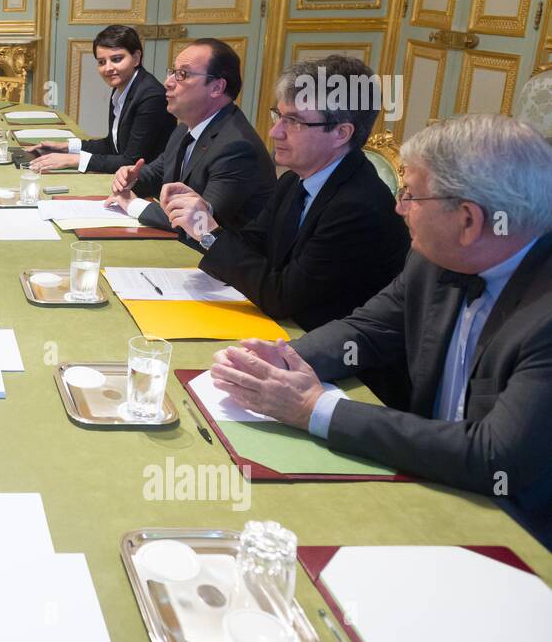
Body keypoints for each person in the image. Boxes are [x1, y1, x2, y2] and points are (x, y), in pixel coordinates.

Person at [209, 115, 552, 548]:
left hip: (520, 533)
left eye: (410, 195)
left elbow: (493, 456)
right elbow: (368, 330)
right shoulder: (433, 258)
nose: (398, 207)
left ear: (468, 220)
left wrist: (315, 408)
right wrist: (279, 361)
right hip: (428, 482)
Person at [163, 55, 409, 330]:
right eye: (278, 115)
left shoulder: (358, 207)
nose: (274, 132)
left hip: (335, 354)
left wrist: (208, 232)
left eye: (294, 121)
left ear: (341, 133)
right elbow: (252, 244)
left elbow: (281, 298)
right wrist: (203, 217)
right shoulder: (294, 180)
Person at [105, 38, 275, 236]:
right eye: (172, 72)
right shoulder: (186, 128)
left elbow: (199, 222)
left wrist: (131, 204)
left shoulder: (237, 147)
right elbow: (158, 173)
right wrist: (130, 178)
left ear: (216, 88)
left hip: (222, 260)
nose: (168, 83)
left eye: (182, 75)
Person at [27, 24, 173, 173]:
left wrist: (73, 160)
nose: (108, 68)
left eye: (116, 59)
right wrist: (66, 147)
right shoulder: (122, 87)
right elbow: (112, 145)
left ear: (136, 58)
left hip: (149, 188)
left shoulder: (151, 96)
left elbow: (131, 161)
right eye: (101, 62)